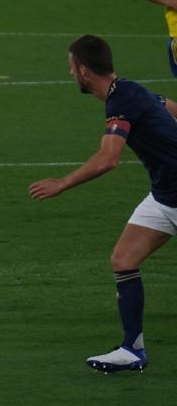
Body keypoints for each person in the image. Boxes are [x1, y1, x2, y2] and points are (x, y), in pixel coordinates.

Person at [29, 35, 177, 373]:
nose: (70, 75)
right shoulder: (129, 90)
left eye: (71, 68)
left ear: (83, 70)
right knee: (123, 259)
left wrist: (62, 183)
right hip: (165, 195)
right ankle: (133, 349)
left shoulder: (120, 102)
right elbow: (169, 106)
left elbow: (109, 159)